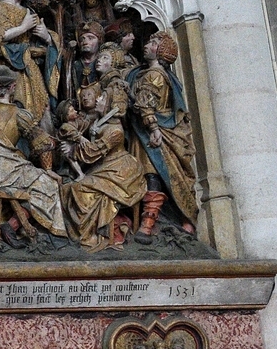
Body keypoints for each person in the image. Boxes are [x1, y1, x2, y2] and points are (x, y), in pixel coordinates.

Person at [0, 66, 67, 242]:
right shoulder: (18, 114)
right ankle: (13, 225)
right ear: (12, 87)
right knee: (48, 184)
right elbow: (42, 142)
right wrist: (48, 169)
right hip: (7, 170)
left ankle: (9, 225)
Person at [61, 48, 144, 251]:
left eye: (102, 98)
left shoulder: (114, 130)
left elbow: (91, 153)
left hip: (122, 172)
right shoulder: (100, 122)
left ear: (111, 104)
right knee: (68, 188)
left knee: (81, 189)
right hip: (107, 167)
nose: (98, 100)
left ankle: (91, 235)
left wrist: (72, 150)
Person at [130, 30, 199, 240]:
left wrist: (154, 129)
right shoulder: (151, 74)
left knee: (154, 175)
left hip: (155, 134)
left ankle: (148, 225)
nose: (146, 45)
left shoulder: (155, 75)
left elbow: (146, 105)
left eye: (153, 43)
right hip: (155, 131)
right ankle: (183, 221)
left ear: (161, 51)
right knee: (164, 176)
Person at [0, 0, 60, 127]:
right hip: (10, 66)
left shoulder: (29, 12)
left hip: (30, 67)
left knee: (43, 107)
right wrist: (23, 27)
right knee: (18, 104)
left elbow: (44, 39)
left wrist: (47, 37)